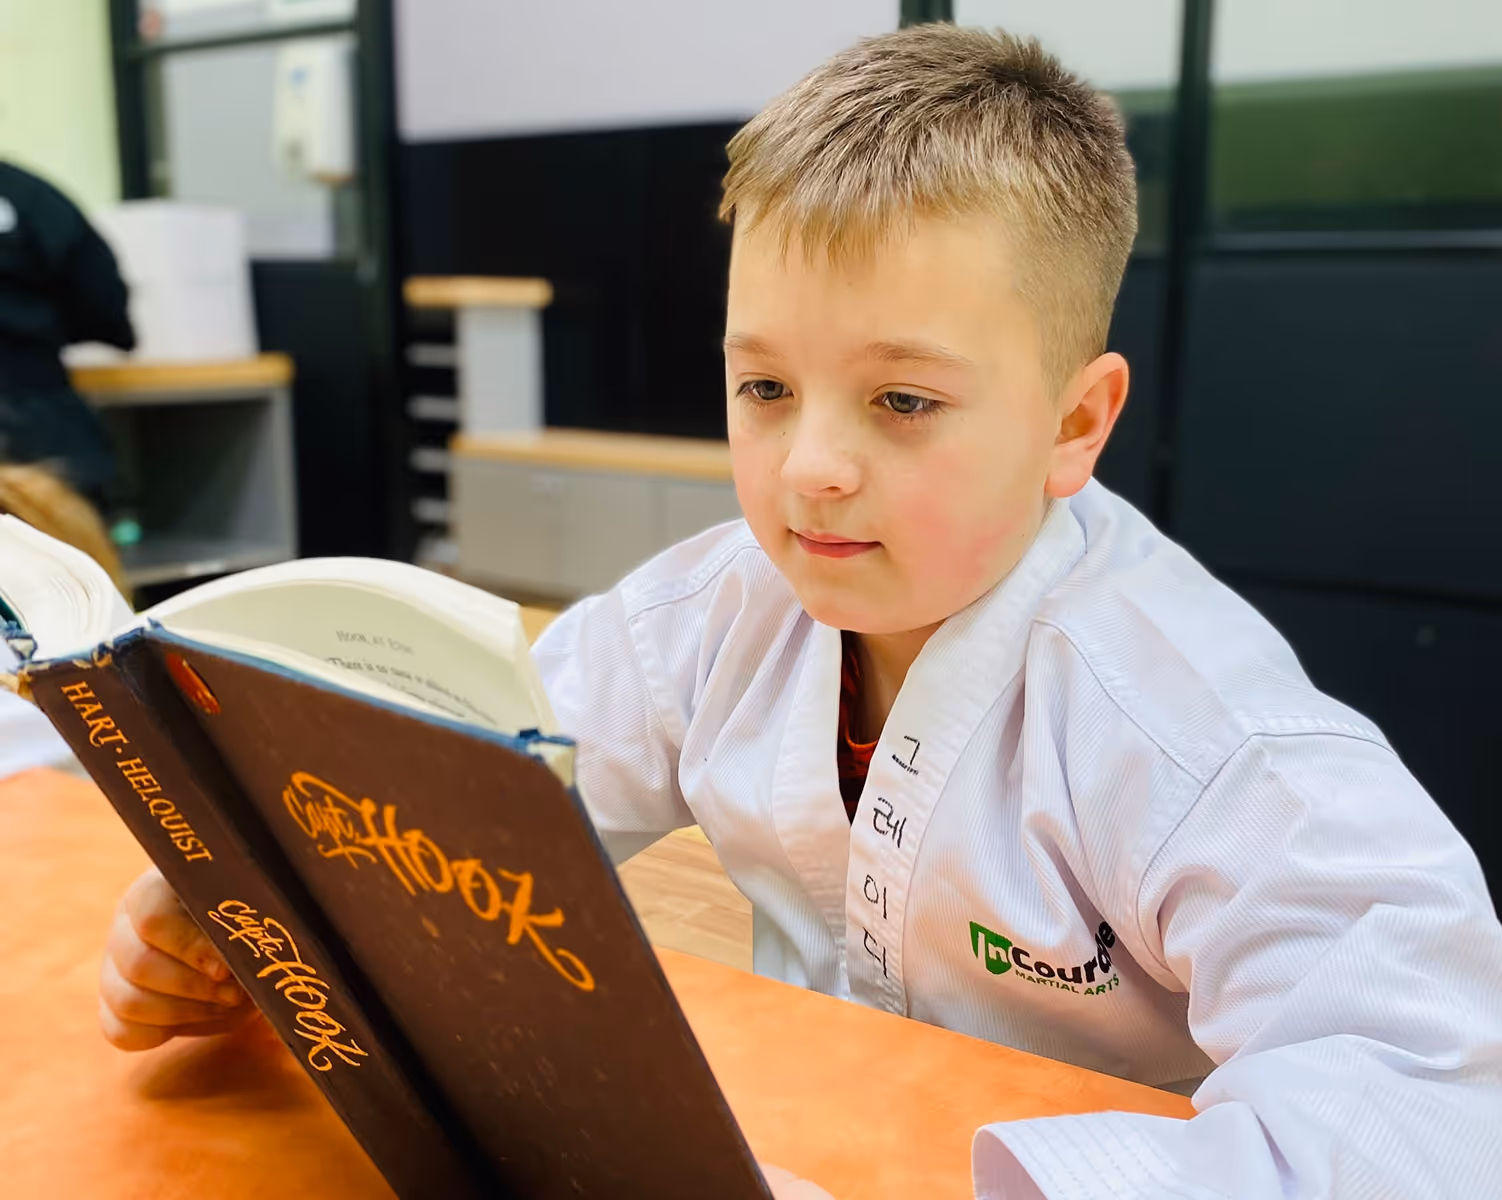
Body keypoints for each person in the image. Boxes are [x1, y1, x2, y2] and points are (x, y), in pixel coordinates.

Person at [93, 25, 1502, 1199]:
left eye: (902, 400)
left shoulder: (1193, 728)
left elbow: (1432, 1104)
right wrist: (264, 907)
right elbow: (471, 783)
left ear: (1075, 422)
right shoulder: (714, 613)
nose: (810, 466)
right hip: (790, 1139)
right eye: (763, 387)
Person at [0, 159, 135, 501]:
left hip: (33, 417)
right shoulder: (29, 195)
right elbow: (101, 301)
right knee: (64, 528)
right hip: (36, 421)